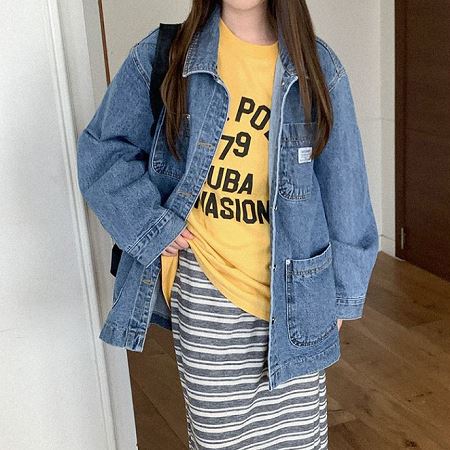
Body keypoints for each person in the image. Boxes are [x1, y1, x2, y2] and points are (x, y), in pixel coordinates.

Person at [76, 0, 379, 448]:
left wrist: (340, 295)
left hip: (297, 293)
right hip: (206, 289)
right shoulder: (168, 55)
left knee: (298, 438)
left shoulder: (317, 66)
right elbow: (103, 151)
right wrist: (151, 225)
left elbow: (345, 186)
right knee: (220, 437)